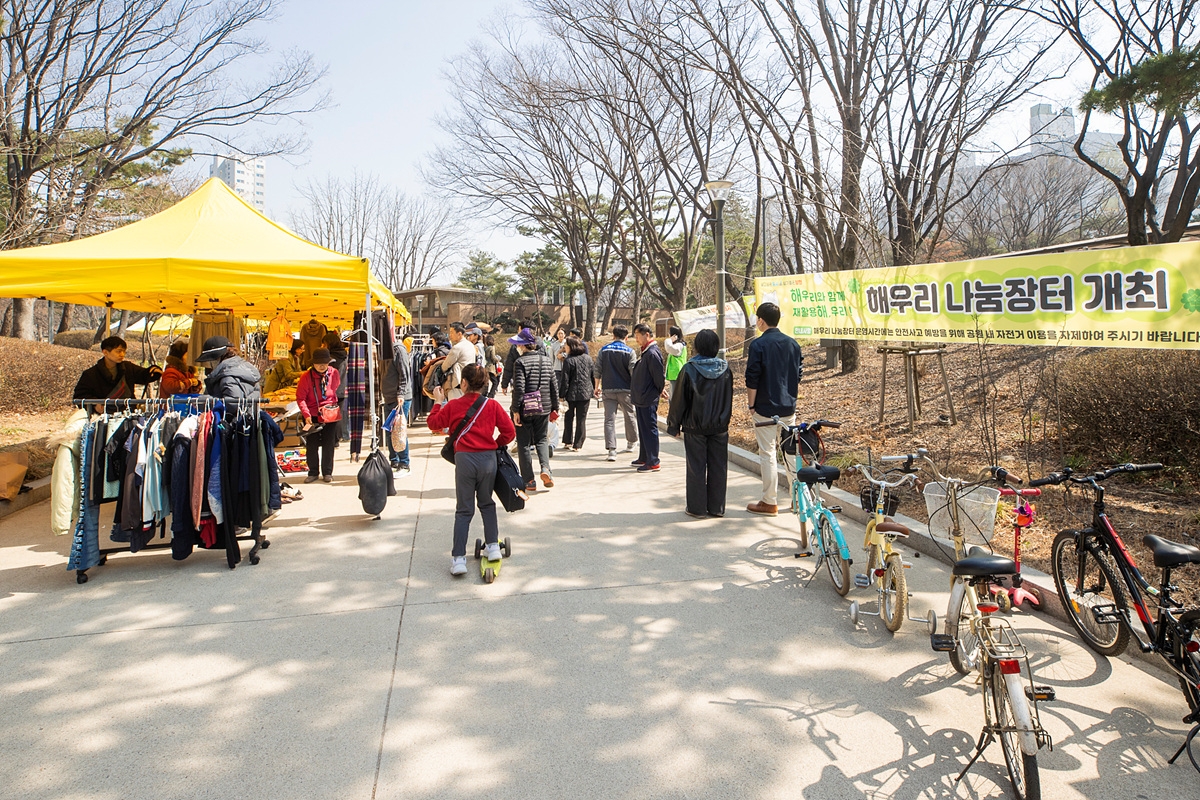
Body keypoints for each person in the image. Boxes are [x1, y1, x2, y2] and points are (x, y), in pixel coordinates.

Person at [428, 364, 516, 576]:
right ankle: (493, 547)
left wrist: (438, 402)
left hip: (465, 459)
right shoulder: (492, 405)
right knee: (486, 503)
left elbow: (434, 424)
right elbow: (510, 432)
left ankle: (459, 559)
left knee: (464, 510)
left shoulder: (453, 405)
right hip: (488, 460)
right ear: (485, 383)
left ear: (464, 383)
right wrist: (495, 444)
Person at [745, 301, 804, 516]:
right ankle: (798, 500)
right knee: (790, 453)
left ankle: (769, 502)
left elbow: (752, 378)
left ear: (761, 321)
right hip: (788, 407)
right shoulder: (793, 344)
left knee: (768, 453)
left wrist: (751, 405)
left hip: (764, 407)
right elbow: (798, 374)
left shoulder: (758, 345)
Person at [666, 329, 733, 518]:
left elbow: (679, 400)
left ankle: (697, 508)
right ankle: (717, 508)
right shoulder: (725, 369)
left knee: (696, 467)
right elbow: (728, 398)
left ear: (697, 346)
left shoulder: (689, 369)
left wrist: (673, 425)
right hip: (719, 426)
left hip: (694, 426)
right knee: (719, 467)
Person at [509, 327, 559, 492]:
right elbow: (553, 385)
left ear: (523, 345)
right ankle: (545, 469)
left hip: (525, 407)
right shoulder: (546, 360)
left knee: (523, 443)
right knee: (542, 439)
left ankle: (529, 480)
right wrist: (555, 407)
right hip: (544, 406)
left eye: (519, 344)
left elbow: (519, 388)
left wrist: (515, 410)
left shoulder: (520, 362)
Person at [295, 347, 340, 484]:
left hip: (330, 413)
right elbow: (300, 398)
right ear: (313, 363)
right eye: (319, 363)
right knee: (312, 445)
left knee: (329, 444)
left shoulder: (334, 373)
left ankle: (327, 472)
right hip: (312, 415)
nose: (322, 366)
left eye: (325, 363)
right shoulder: (305, 377)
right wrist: (306, 414)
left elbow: (335, 389)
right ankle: (313, 472)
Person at [72, 336, 163, 402]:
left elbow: (144, 375)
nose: (122, 354)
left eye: (124, 351)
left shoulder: (128, 368)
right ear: (105, 352)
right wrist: (95, 404)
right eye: (118, 351)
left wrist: (154, 370)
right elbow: (80, 395)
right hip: (103, 415)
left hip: (128, 413)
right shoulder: (91, 374)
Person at [595, 325, 638, 462]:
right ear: (626, 337)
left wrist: (597, 386)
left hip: (608, 388)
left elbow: (597, 369)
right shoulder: (630, 352)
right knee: (629, 415)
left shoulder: (604, 350)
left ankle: (611, 450)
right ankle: (631, 442)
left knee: (609, 419)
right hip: (626, 389)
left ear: (613, 335)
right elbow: (633, 371)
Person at [629, 323, 665, 472]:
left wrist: (660, 390)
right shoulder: (645, 352)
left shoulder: (652, 353)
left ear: (647, 335)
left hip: (648, 397)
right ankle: (644, 456)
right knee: (643, 429)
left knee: (649, 429)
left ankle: (653, 460)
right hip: (641, 397)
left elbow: (658, 377)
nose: (636, 339)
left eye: (638, 335)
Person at [382, 336, 413, 474]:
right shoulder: (382, 350)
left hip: (400, 398)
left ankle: (404, 463)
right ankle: (394, 460)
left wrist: (401, 393)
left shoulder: (398, 349)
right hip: (389, 397)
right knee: (389, 431)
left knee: (398, 431)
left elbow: (404, 373)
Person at [560, 336, 597, 451]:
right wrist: (594, 389)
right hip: (585, 393)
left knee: (568, 417)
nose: (565, 347)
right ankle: (578, 444)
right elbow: (593, 376)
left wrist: (561, 395)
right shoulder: (588, 358)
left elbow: (565, 380)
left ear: (571, 346)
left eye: (566, 345)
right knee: (581, 419)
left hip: (571, 393)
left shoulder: (569, 360)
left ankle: (568, 441)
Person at [443, 322, 477, 401]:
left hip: (457, 382)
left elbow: (445, 366)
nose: (450, 335)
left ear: (459, 334)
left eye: (452, 332)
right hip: (469, 382)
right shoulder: (471, 345)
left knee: (455, 406)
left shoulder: (457, 348)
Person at [664, 326, 687, 402]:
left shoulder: (679, 346)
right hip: (676, 374)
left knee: (674, 398)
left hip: (676, 374)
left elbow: (668, 347)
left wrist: (669, 340)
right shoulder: (680, 345)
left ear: (674, 335)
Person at [548, 327, 568, 397]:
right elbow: (551, 358)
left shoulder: (567, 343)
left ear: (565, 334)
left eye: (562, 333)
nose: (560, 335)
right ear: (557, 335)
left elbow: (569, 354)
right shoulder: (553, 345)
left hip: (566, 368)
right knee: (557, 385)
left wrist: (563, 355)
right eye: (559, 333)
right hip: (557, 368)